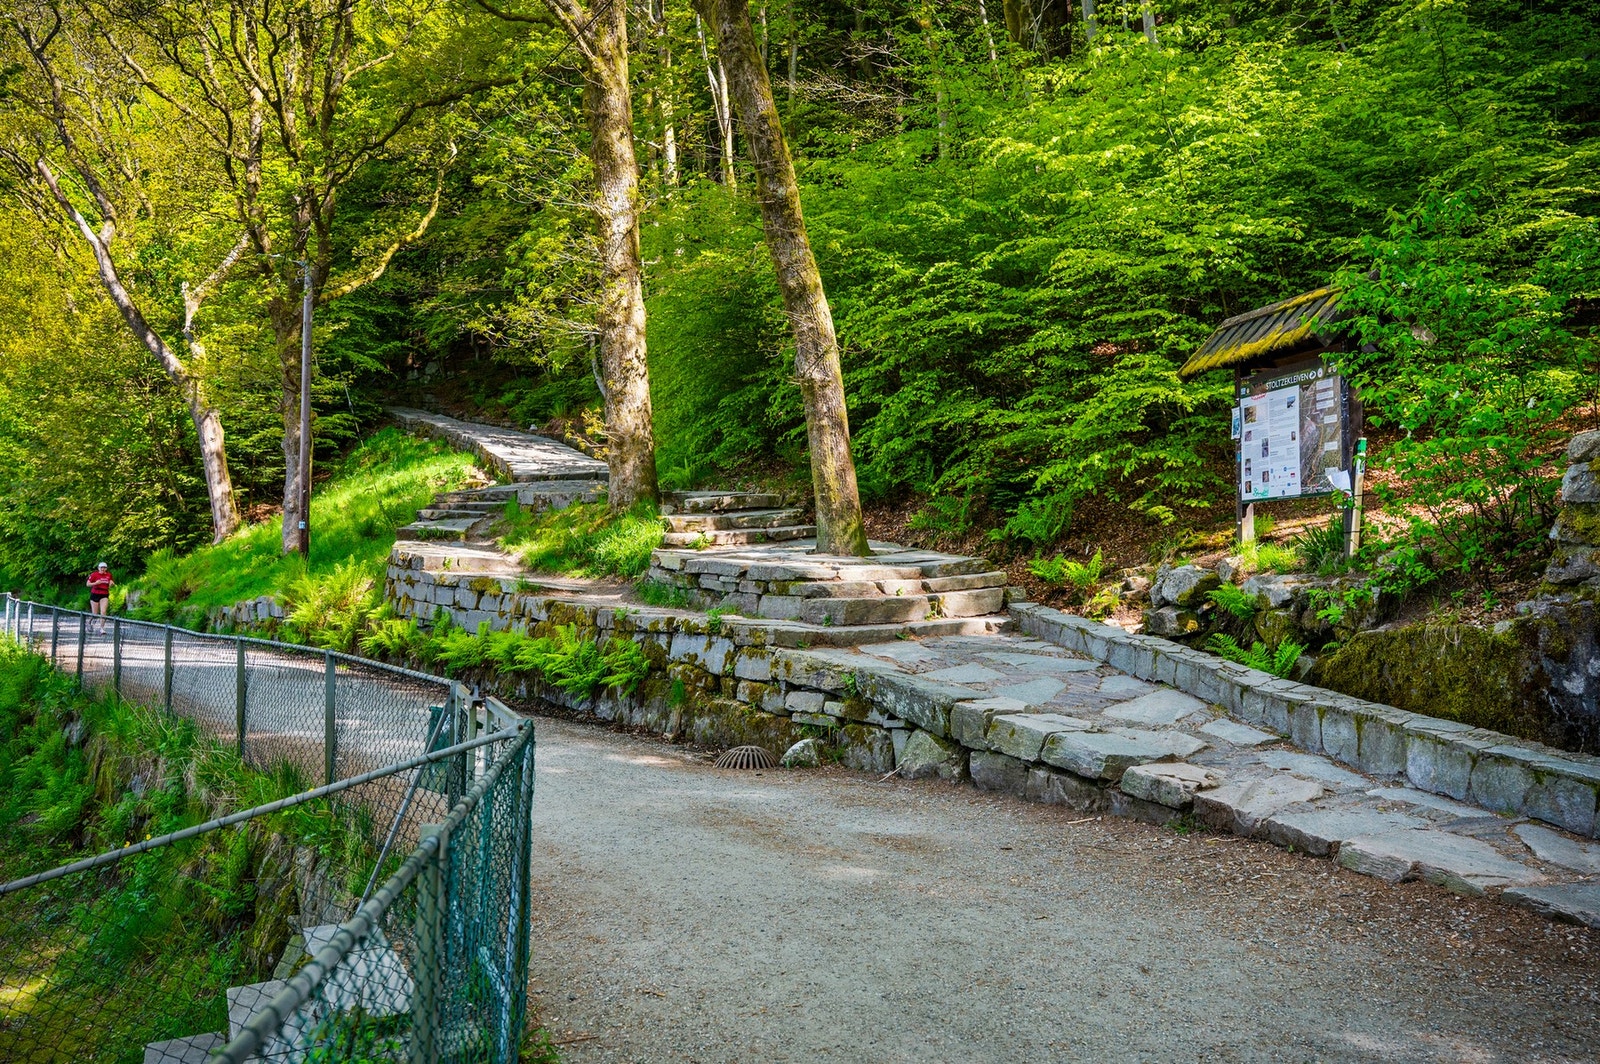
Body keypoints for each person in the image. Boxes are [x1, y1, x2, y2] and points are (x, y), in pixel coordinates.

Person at [87, 562, 113, 633]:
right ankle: (89, 623)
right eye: (101, 567)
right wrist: (95, 583)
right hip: (95, 593)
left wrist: (111, 584)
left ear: (106, 568)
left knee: (103, 611)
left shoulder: (109, 575)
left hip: (104, 594)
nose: (103, 569)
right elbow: (88, 584)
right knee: (95, 614)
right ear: (98, 568)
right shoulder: (94, 574)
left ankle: (102, 628)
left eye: (104, 567)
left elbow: (111, 582)